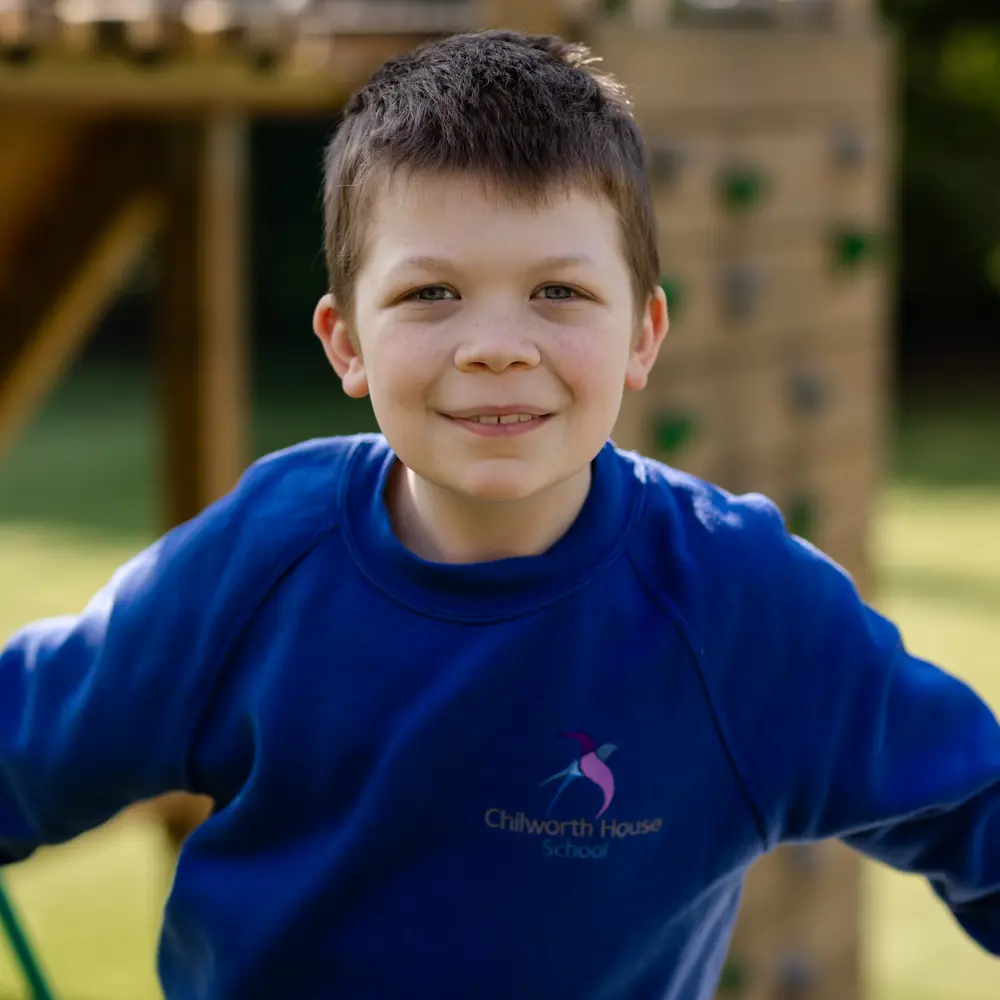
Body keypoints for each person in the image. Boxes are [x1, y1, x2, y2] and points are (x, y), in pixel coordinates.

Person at [1, 29, 998, 1000]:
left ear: (642, 333)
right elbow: (29, 741)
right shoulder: (260, 557)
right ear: (345, 341)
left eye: (557, 291)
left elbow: (974, 807)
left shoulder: (739, 603)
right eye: (432, 292)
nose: (495, 346)